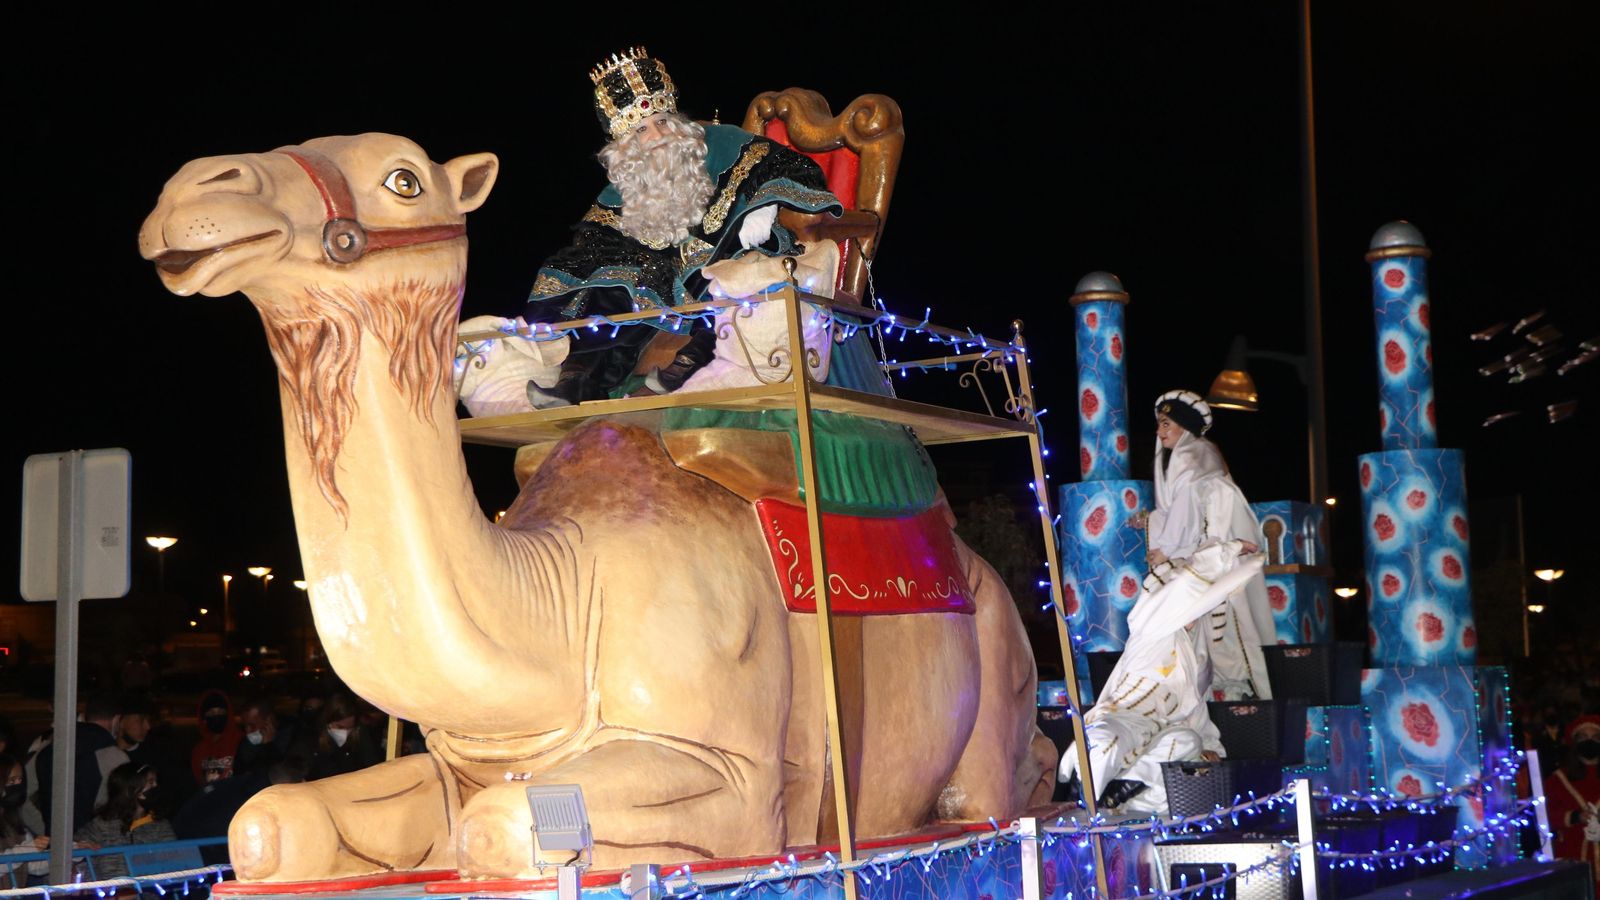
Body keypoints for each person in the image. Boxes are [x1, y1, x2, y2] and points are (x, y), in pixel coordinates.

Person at [521, 47, 842, 406]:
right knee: (604, 280)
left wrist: (761, 207)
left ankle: (685, 366)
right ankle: (577, 379)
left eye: (662, 122)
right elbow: (596, 237)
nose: (657, 136)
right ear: (628, 145)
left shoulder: (722, 141)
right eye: (642, 129)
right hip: (663, 277)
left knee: (725, 278)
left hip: (725, 252)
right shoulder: (627, 177)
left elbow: (791, 165)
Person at [1143, 390, 1276, 700]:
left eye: (1166, 424)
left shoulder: (1192, 455)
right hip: (1212, 540)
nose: (1160, 432)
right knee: (1219, 615)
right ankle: (1234, 690)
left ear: (1184, 427)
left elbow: (1187, 508)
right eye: (1160, 425)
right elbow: (1176, 509)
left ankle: (1241, 689)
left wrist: (1167, 548)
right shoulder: (1195, 453)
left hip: (1218, 539)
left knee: (1228, 612)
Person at [33, 693, 131, 836]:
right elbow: (118, 807)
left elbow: (25, 791)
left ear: (85, 717)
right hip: (92, 848)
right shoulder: (113, 756)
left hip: (56, 846)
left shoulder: (49, 746)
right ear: (116, 720)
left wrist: (48, 833)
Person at [1544, 715, 1600, 888]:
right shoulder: (1557, 779)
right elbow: (1544, 817)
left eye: (1595, 737)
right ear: (1574, 742)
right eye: (1583, 737)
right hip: (1572, 858)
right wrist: (1575, 816)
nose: (1589, 741)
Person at [307, 692, 381, 781]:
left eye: (349, 728)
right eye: (340, 727)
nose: (345, 732)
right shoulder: (311, 739)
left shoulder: (360, 736)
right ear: (328, 721)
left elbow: (373, 766)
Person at [0, 753, 49, 885]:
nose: (17, 785)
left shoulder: (13, 821)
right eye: (11, 781)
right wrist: (28, 849)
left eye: (20, 780)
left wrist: (71, 851)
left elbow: (34, 866)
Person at [189, 689, 241, 786]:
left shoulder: (240, 742)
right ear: (204, 718)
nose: (216, 716)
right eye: (211, 713)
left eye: (220, 712)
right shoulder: (199, 750)